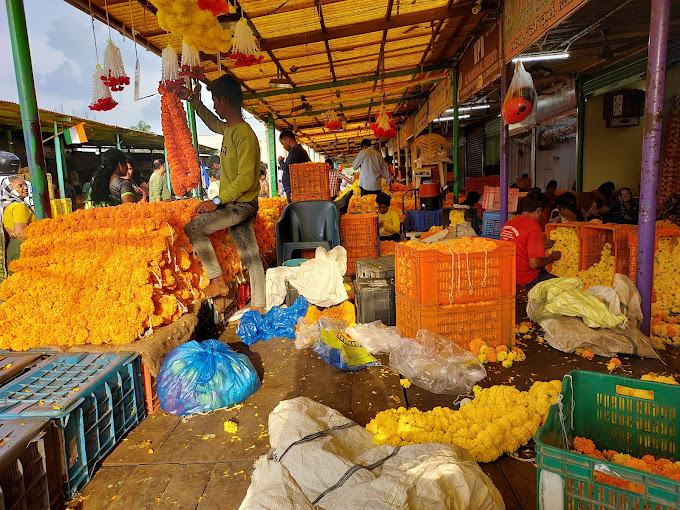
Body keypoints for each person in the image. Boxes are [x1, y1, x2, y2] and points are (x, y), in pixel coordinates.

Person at [176, 76, 265, 310]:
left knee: (194, 228)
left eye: (215, 101)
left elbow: (246, 178)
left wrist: (216, 201)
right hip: (237, 204)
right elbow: (212, 122)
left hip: (239, 205)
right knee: (250, 255)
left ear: (224, 101)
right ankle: (259, 305)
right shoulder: (229, 129)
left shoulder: (244, 135)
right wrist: (194, 101)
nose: (215, 106)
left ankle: (217, 280)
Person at [500, 191, 561, 287]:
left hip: (510, 276)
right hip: (527, 279)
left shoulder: (508, 224)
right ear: (539, 211)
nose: (543, 217)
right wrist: (553, 257)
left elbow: (520, 245)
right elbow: (534, 264)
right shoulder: (533, 227)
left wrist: (540, 245)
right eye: (544, 213)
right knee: (566, 285)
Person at [1, 175, 35, 275]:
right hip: (21, 248)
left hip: (14, 247)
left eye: (25, 184)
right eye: (20, 186)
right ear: (10, 189)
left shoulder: (8, 206)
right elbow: (20, 233)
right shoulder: (19, 207)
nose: (25, 188)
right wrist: (38, 247)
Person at [278, 130, 310, 203]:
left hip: (294, 190)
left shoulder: (295, 150)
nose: (283, 147)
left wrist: (281, 161)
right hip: (295, 189)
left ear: (288, 140)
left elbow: (287, 169)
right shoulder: (298, 150)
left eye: (282, 143)